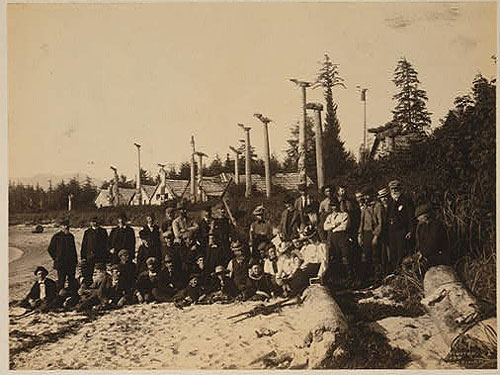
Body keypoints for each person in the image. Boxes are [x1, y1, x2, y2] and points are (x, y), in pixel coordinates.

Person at [324, 199, 355, 286]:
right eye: (332, 206)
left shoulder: (344, 214)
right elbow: (325, 227)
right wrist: (334, 225)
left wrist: (333, 227)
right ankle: (339, 279)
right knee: (335, 257)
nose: (334, 207)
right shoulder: (329, 216)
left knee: (345, 256)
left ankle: (350, 278)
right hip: (333, 237)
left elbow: (344, 227)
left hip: (342, 236)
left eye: (335, 205)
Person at [386, 180, 415, 270]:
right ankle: (395, 272)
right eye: (392, 189)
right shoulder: (390, 202)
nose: (394, 191)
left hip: (402, 231)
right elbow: (387, 217)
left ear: (400, 189)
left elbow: (411, 217)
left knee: (401, 253)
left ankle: (402, 273)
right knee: (393, 253)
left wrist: (410, 231)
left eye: (396, 189)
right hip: (392, 232)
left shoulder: (406, 201)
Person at [414, 203, 450, 267]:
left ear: (425, 216)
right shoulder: (422, 227)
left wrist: (423, 253)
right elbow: (421, 242)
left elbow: (433, 242)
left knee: (422, 266)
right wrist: (420, 252)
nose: (418, 219)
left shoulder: (437, 225)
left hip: (438, 256)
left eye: (419, 217)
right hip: (427, 254)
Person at [47, 218, 78, 292]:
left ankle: (71, 296)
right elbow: (50, 249)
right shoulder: (56, 237)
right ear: (61, 227)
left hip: (71, 263)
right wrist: (56, 258)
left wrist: (75, 260)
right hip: (61, 263)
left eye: (67, 225)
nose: (66, 227)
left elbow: (73, 250)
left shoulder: (71, 236)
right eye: (64, 225)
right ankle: (60, 297)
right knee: (61, 281)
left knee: (71, 281)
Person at [358, 189, 381, 283]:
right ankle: (369, 279)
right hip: (366, 233)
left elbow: (380, 223)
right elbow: (361, 222)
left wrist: (376, 236)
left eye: (368, 196)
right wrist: (359, 234)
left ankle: (378, 278)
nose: (366, 198)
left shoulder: (378, 206)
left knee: (375, 256)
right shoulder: (365, 207)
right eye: (365, 196)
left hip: (374, 232)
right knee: (366, 256)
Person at [81, 217, 109, 288]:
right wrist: (83, 257)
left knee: (101, 273)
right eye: (93, 222)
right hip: (90, 257)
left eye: (96, 221)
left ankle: (101, 287)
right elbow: (84, 245)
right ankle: (89, 288)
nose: (94, 223)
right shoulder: (87, 232)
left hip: (100, 257)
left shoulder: (103, 231)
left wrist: (107, 257)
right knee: (89, 274)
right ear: (90, 223)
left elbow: (106, 245)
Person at [373, 188, 390, 275]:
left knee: (389, 254)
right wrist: (376, 235)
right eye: (382, 197)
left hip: (391, 233)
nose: (384, 199)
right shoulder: (379, 207)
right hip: (382, 234)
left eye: (385, 197)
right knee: (383, 255)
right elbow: (379, 222)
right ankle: (383, 274)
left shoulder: (391, 205)